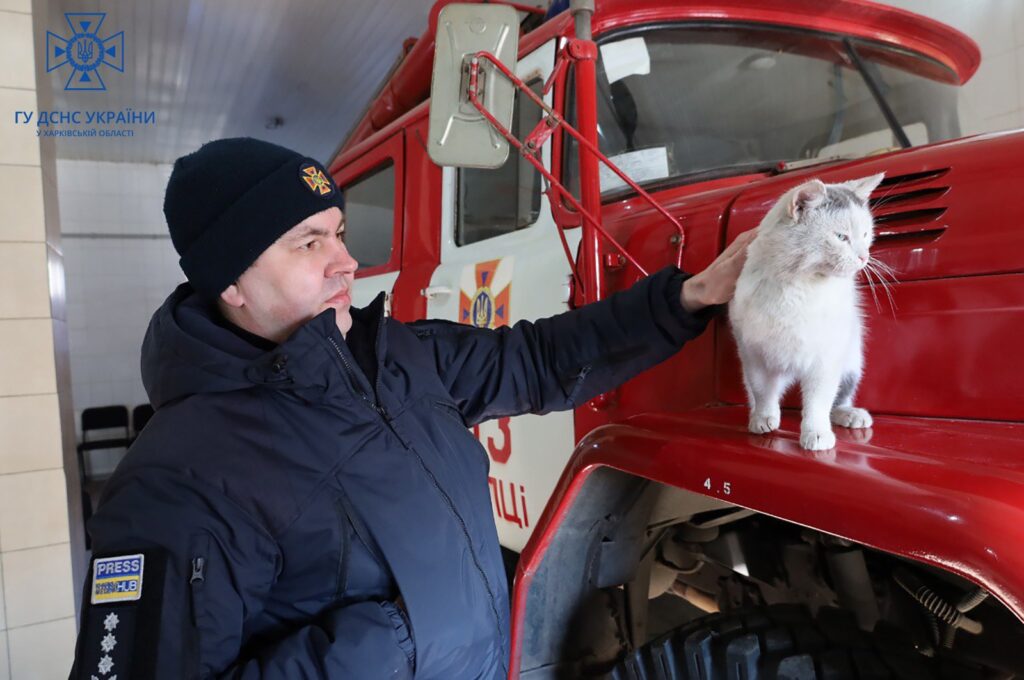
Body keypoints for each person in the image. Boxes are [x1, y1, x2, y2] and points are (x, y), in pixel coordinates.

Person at [70, 137, 753, 679]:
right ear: (230, 283)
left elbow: (541, 360)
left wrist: (687, 299)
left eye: (338, 233)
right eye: (309, 243)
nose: (347, 263)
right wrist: (402, 641)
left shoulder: (400, 356)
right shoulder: (178, 484)